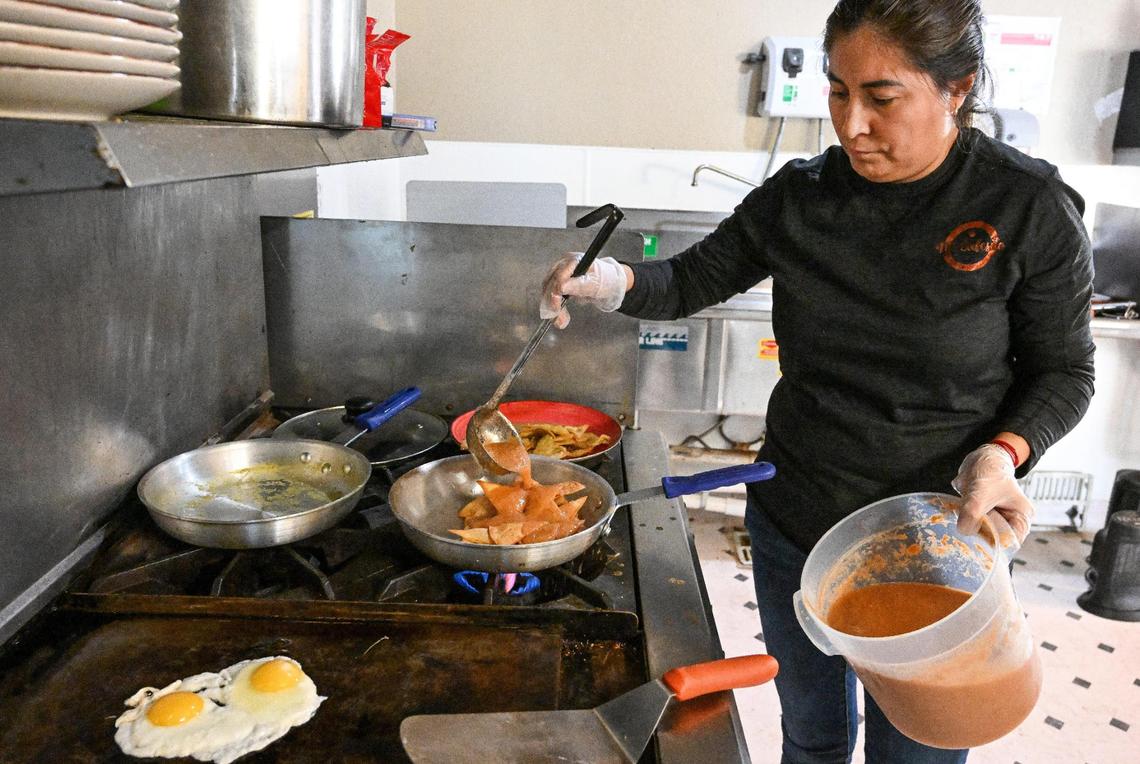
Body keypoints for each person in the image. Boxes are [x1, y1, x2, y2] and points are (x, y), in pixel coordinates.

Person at [539, 1, 1095, 762]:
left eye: (881, 97)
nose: (851, 123)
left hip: (938, 536)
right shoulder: (803, 196)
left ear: (957, 88)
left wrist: (1002, 453)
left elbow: (1065, 371)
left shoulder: (1025, 206)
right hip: (797, 518)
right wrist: (604, 280)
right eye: (837, 90)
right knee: (811, 738)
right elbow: (690, 278)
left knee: (921, 747)